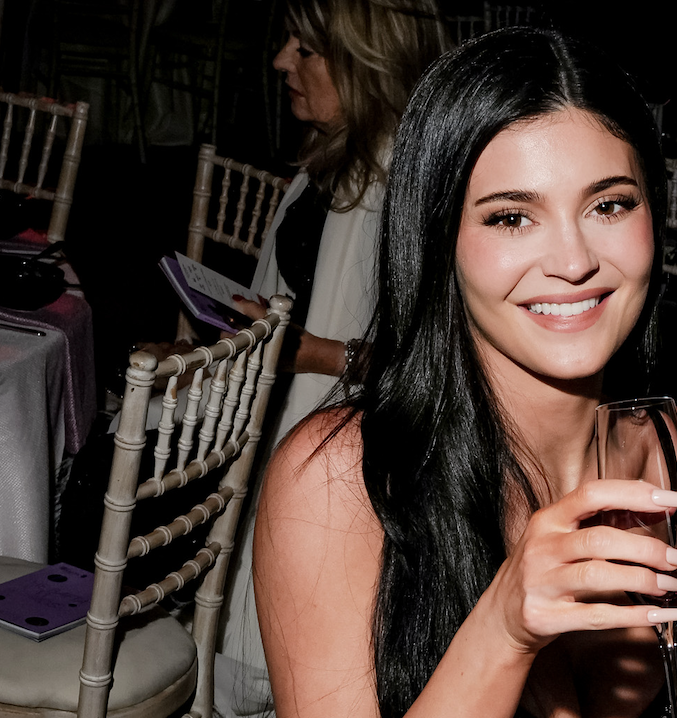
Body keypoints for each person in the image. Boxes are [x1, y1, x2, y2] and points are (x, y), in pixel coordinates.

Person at [253, 27, 677, 718]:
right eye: (512, 217)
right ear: (438, 238)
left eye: (609, 205)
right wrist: (505, 628)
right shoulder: (340, 481)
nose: (572, 261)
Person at [217, 2, 451, 714]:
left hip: (351, 489)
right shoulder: (333, 161)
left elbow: (444, 372)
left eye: (307, 49)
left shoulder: (402, 188)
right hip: (286, 451)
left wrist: (313, 352)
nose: (284, 61)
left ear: (365, 60)